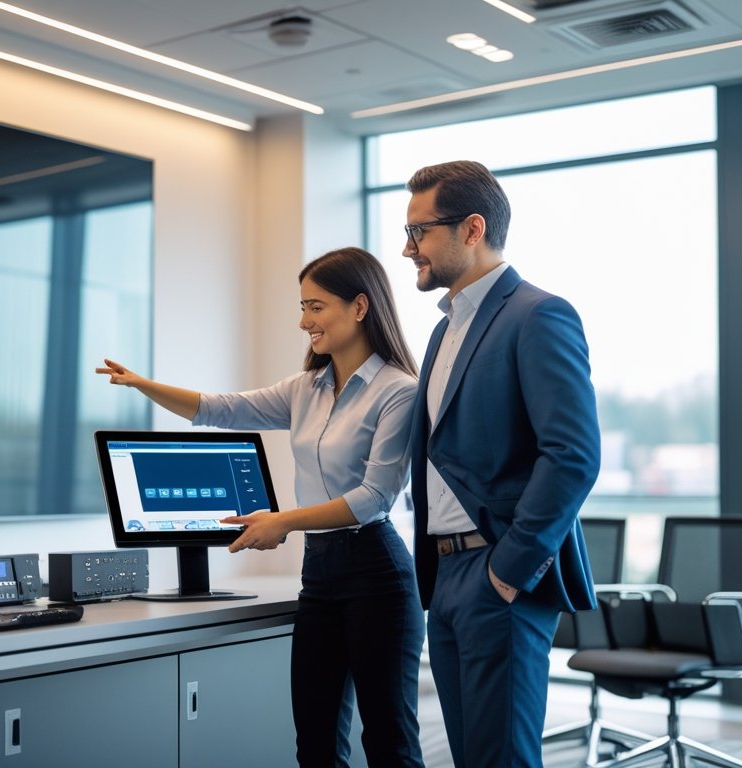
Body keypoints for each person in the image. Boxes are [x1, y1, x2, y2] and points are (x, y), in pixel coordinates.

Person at [98, 247, 425, 768]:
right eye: (302, 307)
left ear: (360, 307)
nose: (303, 321)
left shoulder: (399, 391)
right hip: (320, 575)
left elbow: (373, 498)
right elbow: (217, 409)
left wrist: (282, 522)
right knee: (315, 744)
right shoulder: (306, 388)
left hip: (377, 575)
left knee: (389, 744)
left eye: (316, 307)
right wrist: (141, 383)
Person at [401, 160, 601, 768]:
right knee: (471, 757)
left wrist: (511, 567)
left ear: (471, 229)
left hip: (498, 568)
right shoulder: (443, 333)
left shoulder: (538, 314)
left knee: (501, 761)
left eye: (419, 232)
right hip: (446, 571)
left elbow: (572, 455)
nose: (407, 249)